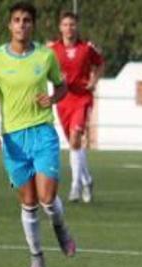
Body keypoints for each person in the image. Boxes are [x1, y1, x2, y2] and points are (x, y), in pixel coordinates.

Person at [0, 1, 76, 267]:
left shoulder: (45, 57)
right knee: (29, 201)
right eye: (17, 20)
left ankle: (60, 227)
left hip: (42, 132)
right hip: (13, 139)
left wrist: (53, 97)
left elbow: (62, 86)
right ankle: (37, 257)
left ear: (33, 26)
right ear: (10, 25)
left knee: (47, 196)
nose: (22, 25)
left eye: (27, 20)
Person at [48, 10, 104, 203]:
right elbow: (44, 69)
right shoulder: (53, 49)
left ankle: (75, 186)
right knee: (75, 146)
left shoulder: (86, 48)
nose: (69, 28)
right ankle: (87, 180)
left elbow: (100, 63)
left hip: (82, 99)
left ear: (77, 26)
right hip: (63, 100)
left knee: (74, 140)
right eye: (65, 24)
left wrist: (94, 80)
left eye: (72, 24)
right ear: (60, 27)